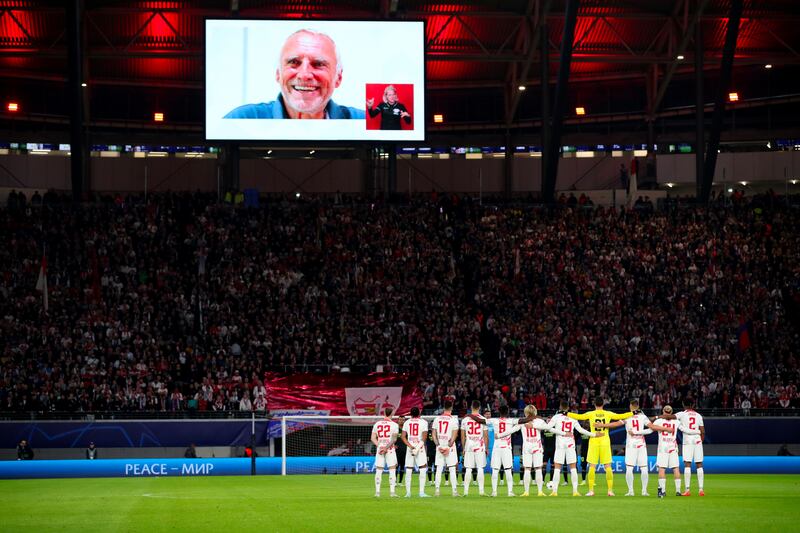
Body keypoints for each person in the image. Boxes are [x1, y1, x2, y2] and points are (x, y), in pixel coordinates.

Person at [224, 29, 365, 120]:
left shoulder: (363, 123)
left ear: (338, 78)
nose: (304, 75)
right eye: (293, 62)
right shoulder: (242, 119)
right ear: (278, 74)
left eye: (318, 64)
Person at [568, 397, 632, 496]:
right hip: (605, 440)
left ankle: (591, 491)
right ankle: (610, 491)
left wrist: (566, 413)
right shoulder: (608, 413)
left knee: (592, 466)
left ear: (594, 404)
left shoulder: (591, 414)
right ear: (603, 404)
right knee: (608, 466)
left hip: (594, 441)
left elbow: (579, 417)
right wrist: (633, 413)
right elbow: (621, 415)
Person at [595, 399, 652, 496]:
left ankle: (631, 491)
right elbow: (651, 429)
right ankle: (644, 491)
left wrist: (603, 425)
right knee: (644, 468)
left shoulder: (627, 416)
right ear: (638, 406)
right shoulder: (643, 417)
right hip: (641, 444)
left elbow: (615, 424)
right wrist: (639, 432)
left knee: (629, 468)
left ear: (630, 406)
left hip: (631, 445)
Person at [549, 400, 597, 496]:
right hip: (570, 444)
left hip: (560, 444)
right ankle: (575, 491)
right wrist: (594, 434)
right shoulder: (573, 417)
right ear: (568, 408)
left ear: (560, 407)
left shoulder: (556, 417)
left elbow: (549, 428)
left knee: (557, 468)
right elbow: (581, 430)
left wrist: (562, 433)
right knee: (573, 468)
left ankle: (554, 491)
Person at [519, 405, 569, 497]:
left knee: (527, 469)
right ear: (535, 412)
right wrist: (564, 433)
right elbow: (550, 428)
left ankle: (526, 492)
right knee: (538, 469)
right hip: (537, 447)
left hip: (526, 448)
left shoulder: (521, 422)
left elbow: (512, 430)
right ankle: (540, 492)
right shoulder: (540, 421)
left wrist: (500, 435)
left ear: (526, 412)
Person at [651, 405, 698, 498]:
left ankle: (663, 491)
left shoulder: (659, 421)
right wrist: (696, 432)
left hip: (663, 447)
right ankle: (678, 491)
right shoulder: (676, 421)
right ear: (671, 413)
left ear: (663, 411)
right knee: (675, 468)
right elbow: (685, 430)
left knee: (662, 468)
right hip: (673, 447)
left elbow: (650, 427)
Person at [675, 398, 706, 496]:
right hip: (697, 439)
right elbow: (703, 431)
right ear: (693, 405)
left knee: (687, 464)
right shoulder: (698, 415)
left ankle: (687, 490)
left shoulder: (682, 414)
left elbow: (671, 416)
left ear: (684, 405)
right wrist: (700, 440)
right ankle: (701, 490)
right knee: (699, 464)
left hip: (687, 440)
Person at [486, 405, 519, 497]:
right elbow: (521, 421)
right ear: (508, 412)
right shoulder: (511, 421)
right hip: (507, 448)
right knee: (508, 470)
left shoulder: (494, 420)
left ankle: (494, 492)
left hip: (496, 448)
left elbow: (482, 421)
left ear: (499, 412)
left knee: (495, 470)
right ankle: (510, 492)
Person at [431, 400, 459, 497]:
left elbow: (433, 434)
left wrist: (438, 446)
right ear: (451, 408)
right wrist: (448, 446)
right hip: (449, 447)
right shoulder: (453, 420)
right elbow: (455, 435)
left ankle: (437, 491)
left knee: (439, 468)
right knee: (452, 468)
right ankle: (454, 491)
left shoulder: (437, 419)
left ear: (443, 407)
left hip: (440, 447)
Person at [460, 400, 488, 496]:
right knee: (480, 468)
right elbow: (485, 436)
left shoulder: (465, 419)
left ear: (471, 407)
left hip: (469, 445)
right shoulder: (483, 419)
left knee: (468, 468)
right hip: (479, 445)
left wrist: (463, 448)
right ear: (479, 407)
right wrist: (487, 448)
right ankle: (481, 491)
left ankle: (466, 492)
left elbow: (462, 436)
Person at [401, 406, 430, 497]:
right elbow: (424, 438)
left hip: (410, 448)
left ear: (410, 414)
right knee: (422, 468)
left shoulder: (407, 422)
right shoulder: (424, 422)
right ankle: (421, 492)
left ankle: (408, 493)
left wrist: (410, 446)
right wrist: (417, 448)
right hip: (419, 447)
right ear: (419, 413)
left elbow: (403, 437)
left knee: (409, 469)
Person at [371, 407, 399, 498]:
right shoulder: (394, 425)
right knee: (392, 469)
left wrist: (380, 447)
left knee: (379, 470)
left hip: (380, 450)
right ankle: (392, 492)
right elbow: (394, 439)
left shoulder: (377, 424)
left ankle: (377, 492)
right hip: (389, 449)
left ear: (384, 413)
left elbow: (372, 438)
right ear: (392, 414)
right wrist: (386, 448)